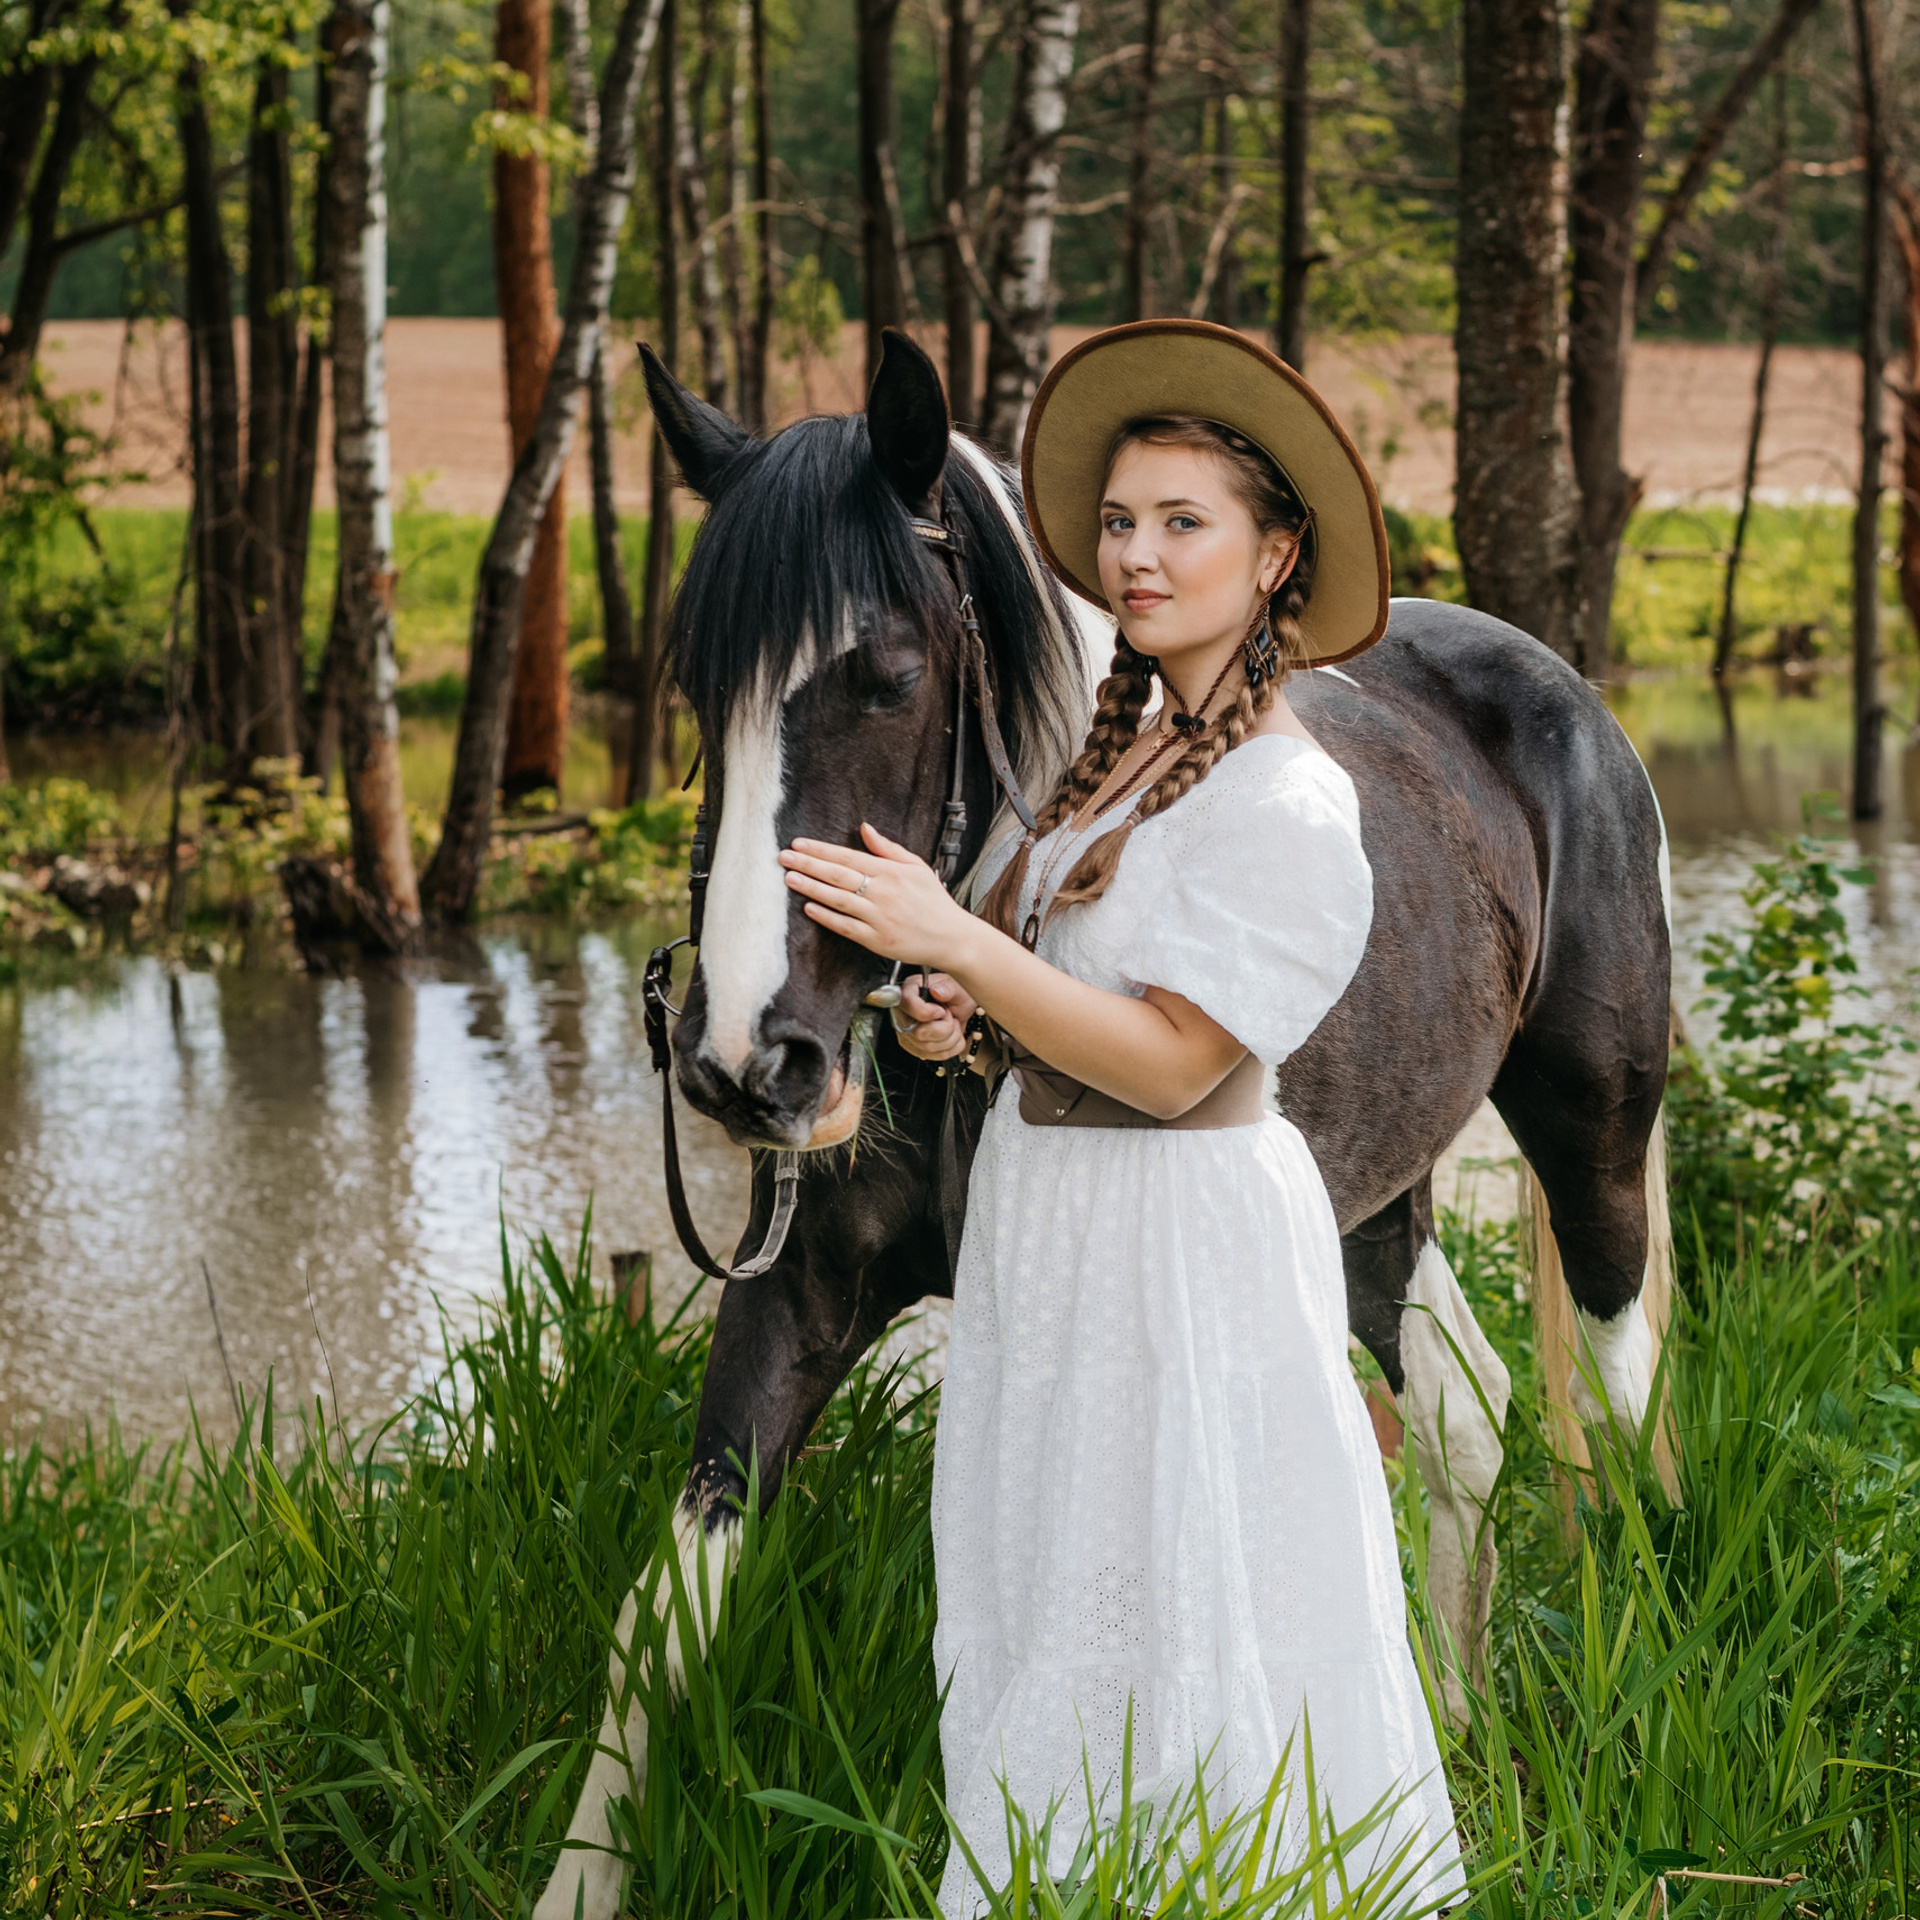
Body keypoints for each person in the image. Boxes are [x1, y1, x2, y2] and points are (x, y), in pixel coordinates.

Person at [778, 321, 1462, 1915]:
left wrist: (955, 939)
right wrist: (961, 1017)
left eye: (1185, 523)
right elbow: (1057, 1004)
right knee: (1052, 1583)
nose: (1137, 557)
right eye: (1120, 523)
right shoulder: (1120, 760)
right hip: (1055, 1222)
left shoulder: (1287, 798)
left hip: (1182, 1243)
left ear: (1277, 555)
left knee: (1193, 1589)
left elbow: (1172, 1067)